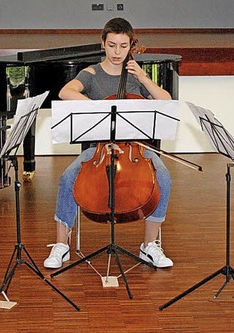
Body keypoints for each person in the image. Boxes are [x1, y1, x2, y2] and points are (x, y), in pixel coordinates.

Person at [44, 17, 174, 269]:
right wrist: (101, 108)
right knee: (68, 177)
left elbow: (166, 100)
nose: (117, 52)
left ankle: (149, 245)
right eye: (112, 45)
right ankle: (61, 244)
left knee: (165, 177)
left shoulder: (136, 76)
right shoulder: (92, 74)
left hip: (136, 147)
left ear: (130, 46)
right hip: (100, 148)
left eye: (123, 46)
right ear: (102, 43)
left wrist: (145, 78)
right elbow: (65, 92)